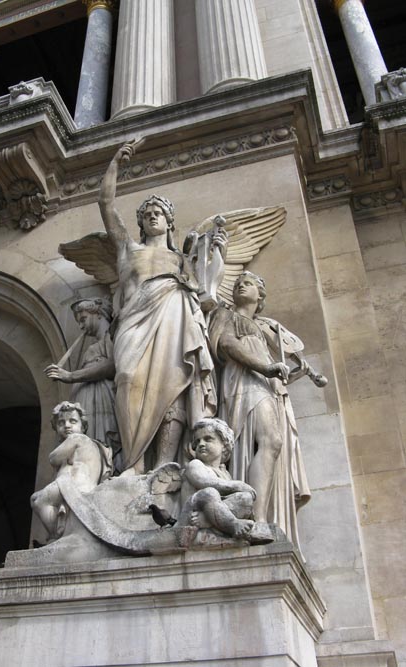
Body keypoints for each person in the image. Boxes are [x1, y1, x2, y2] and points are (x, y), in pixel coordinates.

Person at [98, 139, 224, 474]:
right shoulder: (128, 249)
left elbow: (205, 288)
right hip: (133, 319)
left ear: (169, 222)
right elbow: (106, 204)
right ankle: (134, 461)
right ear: (140, 223)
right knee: (125, 376)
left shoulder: (181, 260)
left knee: (173, 384)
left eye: (159, 214)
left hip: (172, 311)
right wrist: (114, 163)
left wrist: (214, 254)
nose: (153, 217)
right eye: (147, 214)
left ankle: (166, 464)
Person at [209, 271, 311, 552]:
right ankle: (257, 518)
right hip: (242, 382)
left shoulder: (263, 326)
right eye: (239, 282)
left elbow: (272, 358)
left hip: (265, 386)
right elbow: (227, 345)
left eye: (249, 283)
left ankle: (261, 515)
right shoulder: (225, 314)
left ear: (260, 295)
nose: (241, 284)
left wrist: (288, 371)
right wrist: (266, 367)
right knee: (271, 440)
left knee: (273, 443)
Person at [44, 298, 121, 467]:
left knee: (101, 439)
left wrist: (70, 376)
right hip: (89, 399)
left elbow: (112, 365)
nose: (81, 326)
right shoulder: (95, 345)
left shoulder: (111, 336)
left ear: (98, 314)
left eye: (83, 319)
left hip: (101, 397)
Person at [30, 401, 113, 541]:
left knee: (37, 500)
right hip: (76, 486)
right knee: (38, 499)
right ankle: (61, 533)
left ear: (83, 426)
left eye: (72, 421)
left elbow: (53, 458)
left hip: (73, 486)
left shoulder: (77, 438)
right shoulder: (91, 445)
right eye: (61, 423)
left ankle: (58, 535)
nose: (67, 425)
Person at [176, 418, 256, 540]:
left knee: (246, 498)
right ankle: (233, 524)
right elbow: (204, 482)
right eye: (197, 442)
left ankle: (208, 520)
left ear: (224, 446)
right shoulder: (195, 464)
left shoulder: (225, 474)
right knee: (209, 492)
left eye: (208, 439)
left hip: (207, 513)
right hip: (190, 514)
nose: (201, 444)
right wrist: (238, 485)